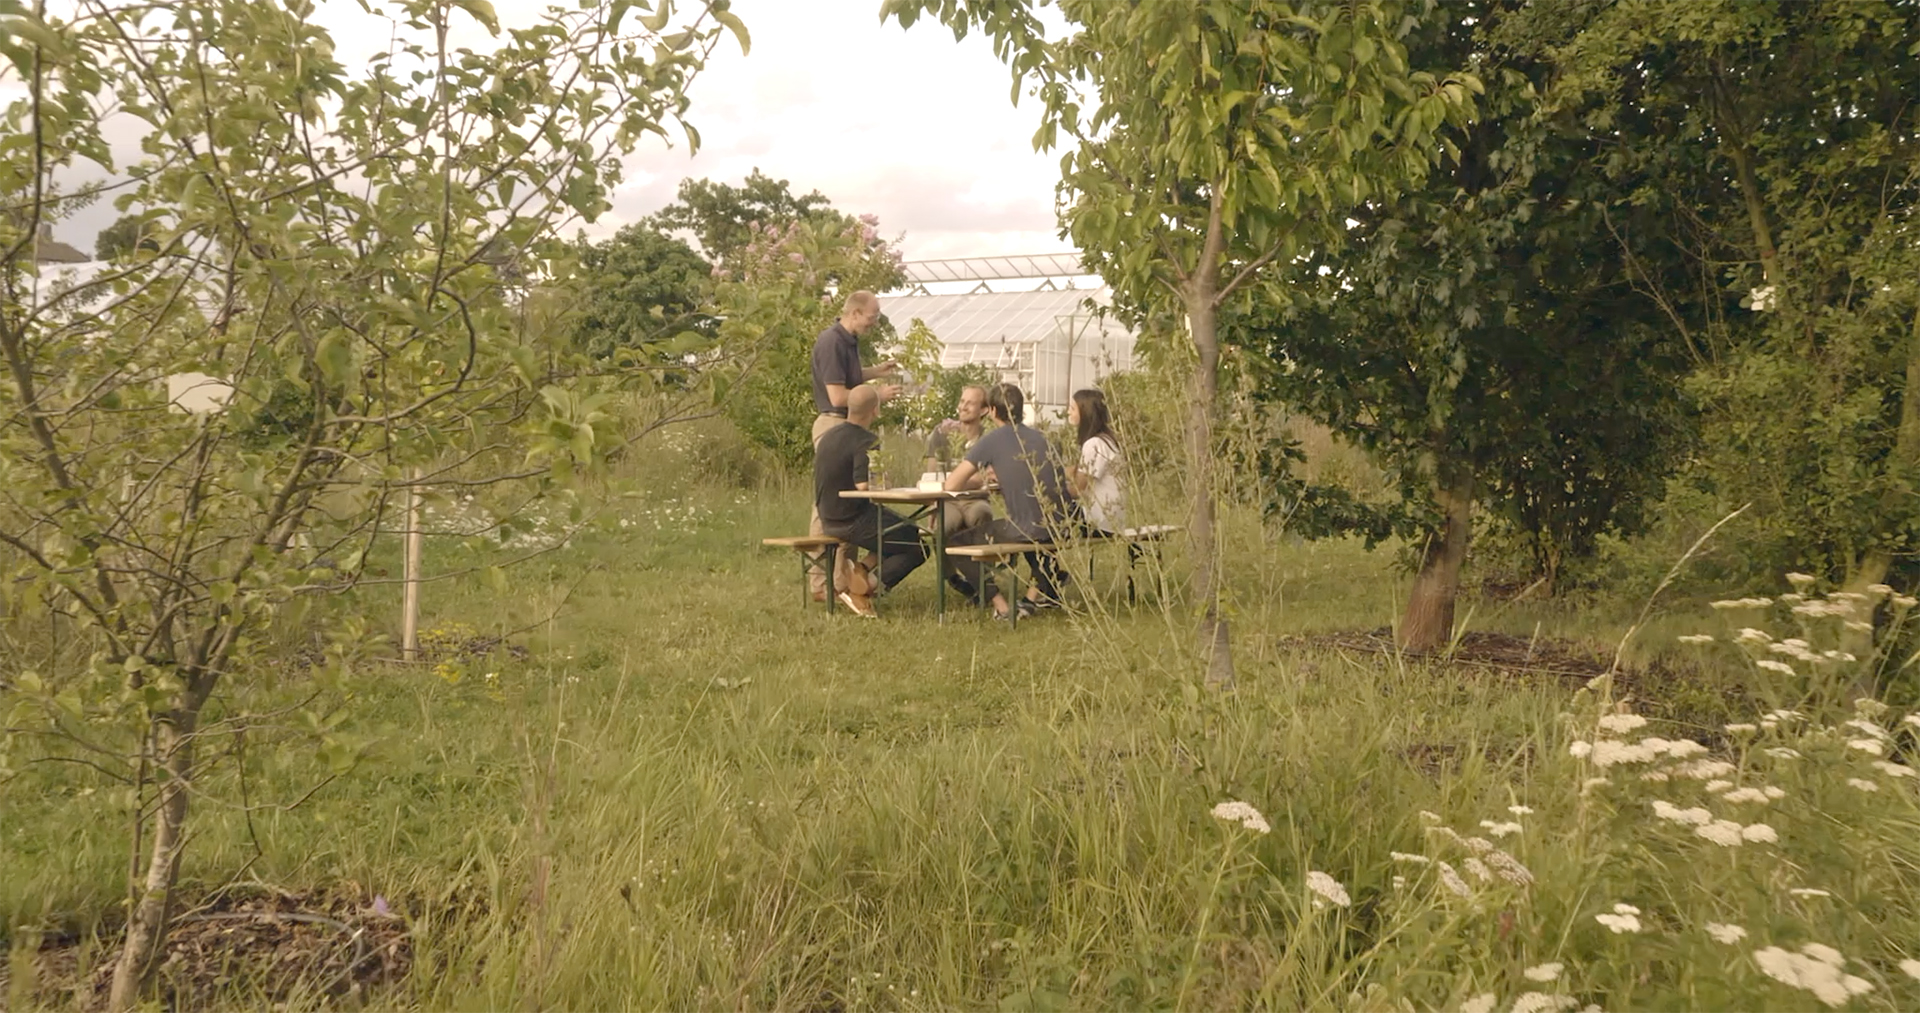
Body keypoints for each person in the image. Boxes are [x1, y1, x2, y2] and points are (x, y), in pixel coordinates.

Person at [943, 383, 1079, 620]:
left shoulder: (992, 440)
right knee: (1036, 533)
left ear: (993, 411)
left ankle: (1002, 607)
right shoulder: (1043, 438)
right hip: (1062, 522)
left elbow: (951, 485)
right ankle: (1037, 594)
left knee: (957, 545)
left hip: (1025, 527)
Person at [807, 290, 900, 599]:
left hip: (848, 424)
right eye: (871, 318)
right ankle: (821, 585)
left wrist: (876, 372)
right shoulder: (832, 341)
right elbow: (837, 395)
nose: (873, 324)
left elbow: (849, 377)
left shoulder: (849, 341)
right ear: (855, 313)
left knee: (854, 506)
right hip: (835, 423)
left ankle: (843, 580)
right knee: (830, 506)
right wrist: (876, 396)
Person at [815, 385, 928, 618]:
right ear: (874, 410)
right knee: (919, 546)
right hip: (853, 519)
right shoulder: (866, 440)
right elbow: (864, 486)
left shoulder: (828, 436)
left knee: (901, 531)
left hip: (828, 517)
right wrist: (884, 480)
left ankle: (862, 568)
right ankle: (865, 590)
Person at [925, 383, 994, 541]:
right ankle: (946, 566)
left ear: (983, 410)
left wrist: (953, 482)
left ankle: (981, 565)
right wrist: (932, 504)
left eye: (970, 403)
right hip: (946, 500)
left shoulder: (989, 438)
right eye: (962, 401)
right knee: (944, 525)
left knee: (982, 514)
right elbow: (932, 474)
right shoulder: (941, 432)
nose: (963, 407)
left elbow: (985, 478)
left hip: (976, 498)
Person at [1067, 388, 1126, 534]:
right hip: (1114, 518)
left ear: (1085, 413)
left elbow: (1077, 490)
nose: (1068, 412)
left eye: (1072, 409)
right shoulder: (1106, 440)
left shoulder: (1093, 444)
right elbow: (1081, 471)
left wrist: (1049, 491)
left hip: (1099, 521)